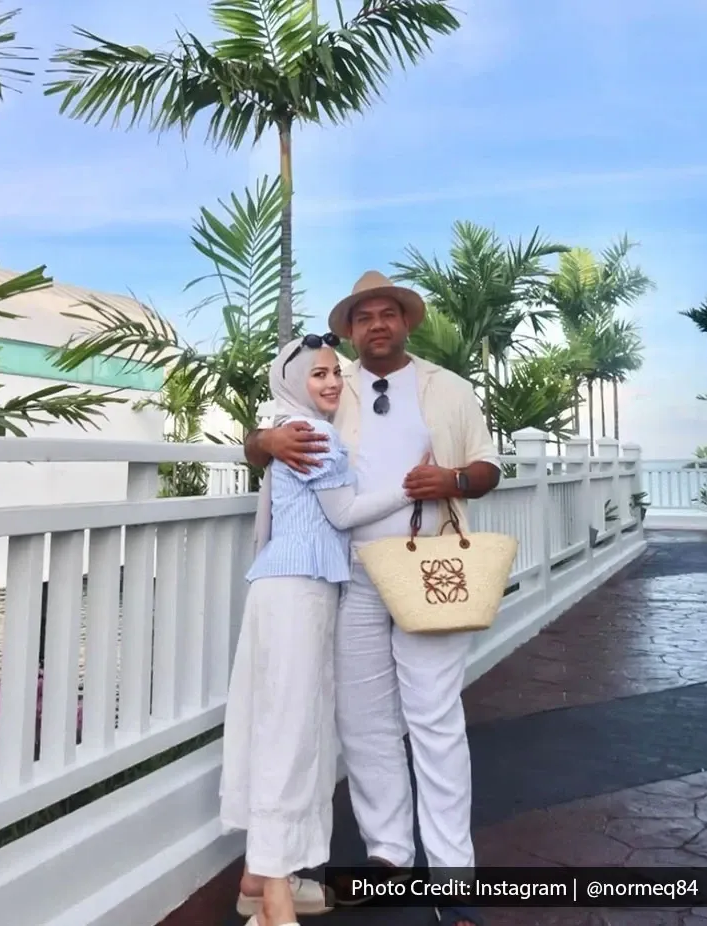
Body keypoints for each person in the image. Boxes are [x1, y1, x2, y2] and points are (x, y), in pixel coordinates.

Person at [244, 271, 502, 926]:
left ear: (406, 323)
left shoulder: (448, 389)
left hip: (429, 565)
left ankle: (451, 873)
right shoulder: (333, 383)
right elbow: (267, 437)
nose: (377, 324)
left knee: (434, 716)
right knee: (363, 720)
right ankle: (389, 853)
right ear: (353, 330)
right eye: (365, 317)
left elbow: (489, 467)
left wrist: (452, 478)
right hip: (350, 572)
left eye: (388, 313)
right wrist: (264, 443)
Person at [220, 333, 420, 926]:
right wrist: (407, 486)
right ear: (293, 384)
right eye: (318, 375)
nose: (332, 382)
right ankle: (274, 904)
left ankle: (258, 879)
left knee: (275, 722)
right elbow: (343, 513)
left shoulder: (286, 429)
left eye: (336, 372)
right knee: (291, 732)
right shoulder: (316, 434)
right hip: (300, 591)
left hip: (280, 588)